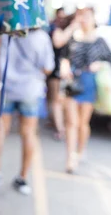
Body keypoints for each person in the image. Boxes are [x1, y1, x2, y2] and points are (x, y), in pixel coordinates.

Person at [0, 29, 54, 195]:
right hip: (30, 90)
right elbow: (48, 67)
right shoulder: (41, 37)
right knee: (28, 133)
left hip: (7, 88)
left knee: (1, 129)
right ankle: (23, 177)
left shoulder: (6, 32)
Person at [58, 7, 111, 173]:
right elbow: (64, 57)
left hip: (89, 83)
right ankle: (70, 157)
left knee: (82, 123)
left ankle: (80, 150)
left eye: (87, 16)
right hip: (73, 82)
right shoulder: (73, 39)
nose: (84, 20)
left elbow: (109, 62)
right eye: (81, 16)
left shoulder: (100, 41)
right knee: (71, 122)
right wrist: (64, 67)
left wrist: (99, 65)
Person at [46, 8, 70, 140]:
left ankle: (59, 125)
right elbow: (58, 41)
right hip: (55, 69)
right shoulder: (56, 30)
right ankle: (59, 127)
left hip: (61, 71)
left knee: (57, 100)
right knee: (55, 99)